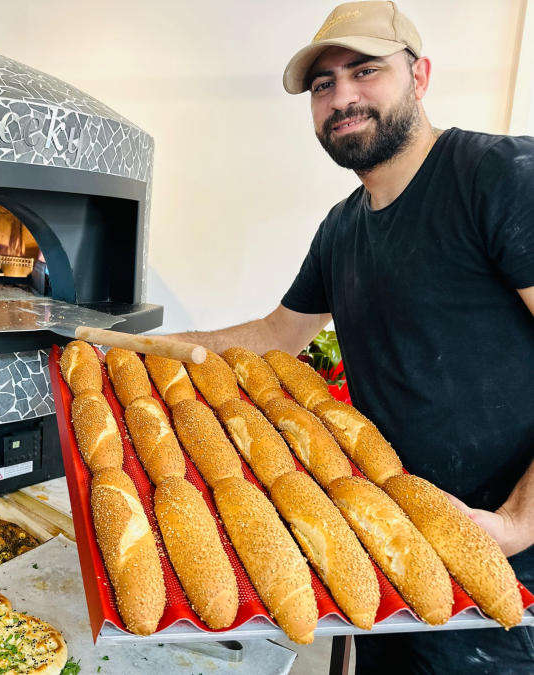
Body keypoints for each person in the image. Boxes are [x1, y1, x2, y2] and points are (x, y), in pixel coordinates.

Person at [175, 1, 534, 672]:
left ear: (420, 76)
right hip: (391, 547)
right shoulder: (342, 228)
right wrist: (147, 348)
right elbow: (277, 332)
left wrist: (518, 522)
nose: (342, 97)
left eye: (365, 71)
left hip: (508, 573)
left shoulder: (499, 176)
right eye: (323, 84)